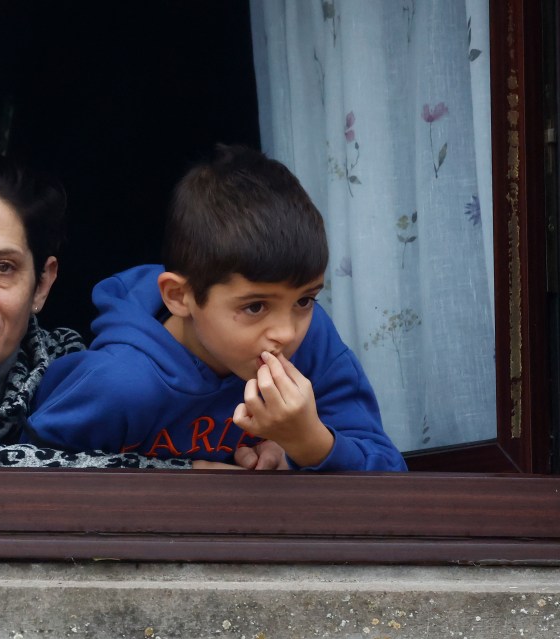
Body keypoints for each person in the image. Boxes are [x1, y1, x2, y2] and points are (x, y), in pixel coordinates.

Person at [24, 144, 408, 472]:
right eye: (256, 306)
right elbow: (30, 472)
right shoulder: (120, 382)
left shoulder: (312, 342)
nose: (287, 332)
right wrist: (173, 479)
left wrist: (306, 445)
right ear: (179, 296)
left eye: (305, 300)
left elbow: (392, 479)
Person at [0, 150, 254, 469]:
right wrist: (183, 475)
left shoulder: (94, 374)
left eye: (2, 267)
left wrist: (261, 445)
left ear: (42, 284)